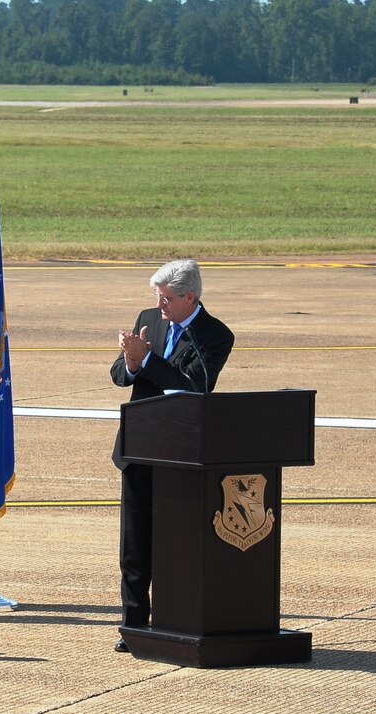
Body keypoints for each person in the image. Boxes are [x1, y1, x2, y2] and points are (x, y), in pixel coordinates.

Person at [110, 259, 235, 653]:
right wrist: (131, 362)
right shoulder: (149, 317)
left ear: (190, 297)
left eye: (166, 299)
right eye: (157, 298)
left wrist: (147, 360)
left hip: (181, 454)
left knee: (175, 545)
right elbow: (119, 374)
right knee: (134, 546)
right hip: (139, 448)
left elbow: (194, 385)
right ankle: (132, 627)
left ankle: (172, 619)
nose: (159, 306)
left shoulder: (215, 335)